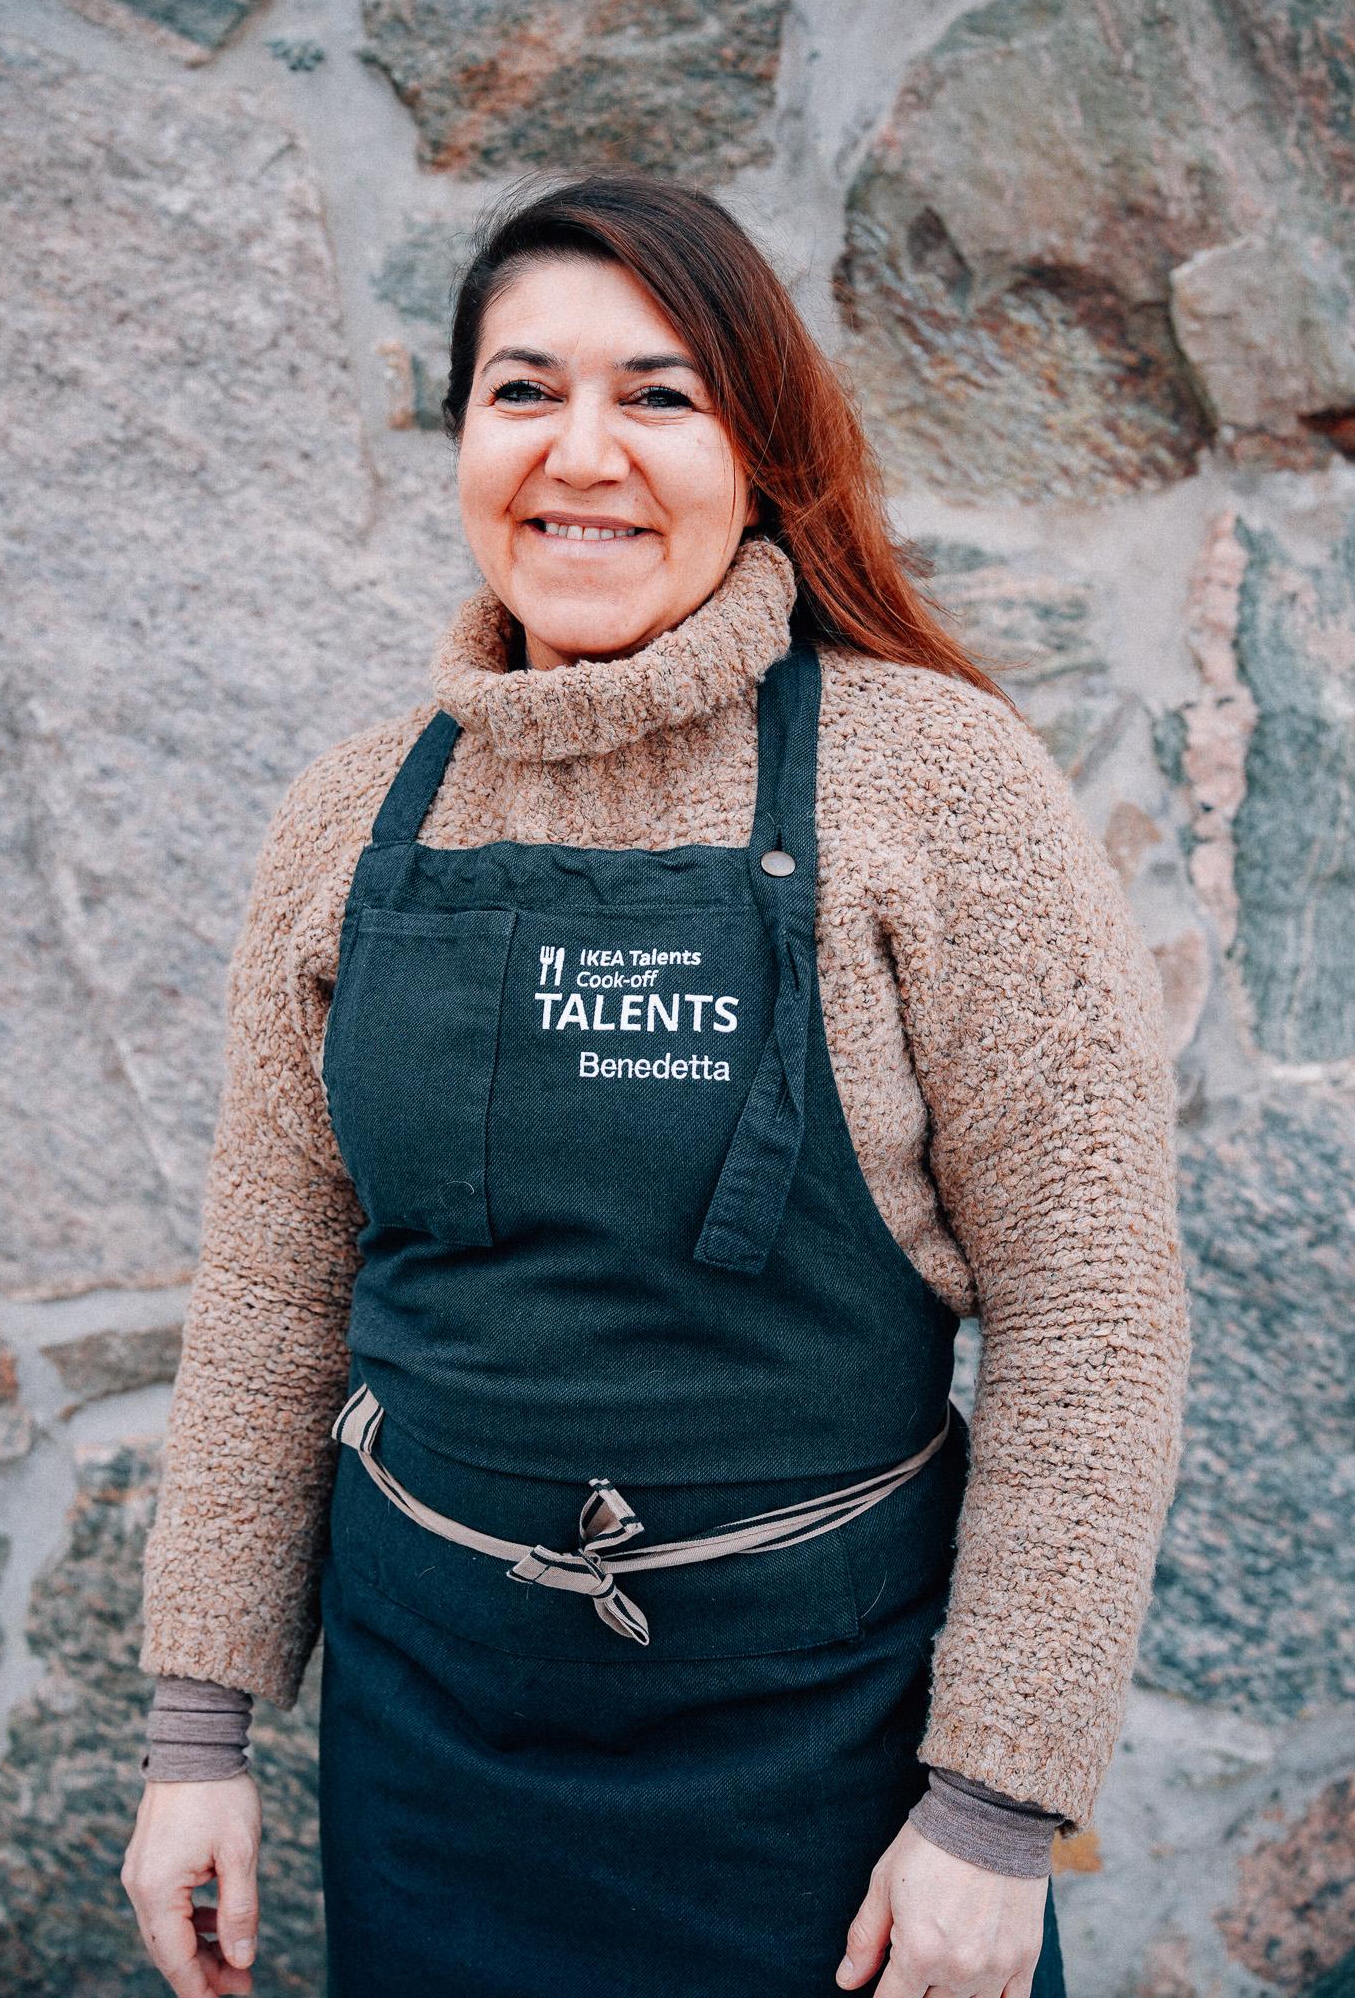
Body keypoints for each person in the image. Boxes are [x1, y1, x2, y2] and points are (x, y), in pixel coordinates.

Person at [122, 168, 1190, 1998]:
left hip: (824, 1761)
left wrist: (992, 1812)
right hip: (433, 1740)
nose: (581, 454)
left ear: (757, 451)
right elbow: (269, 1296)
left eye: (658, 396)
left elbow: (1091, 1318)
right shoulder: (352, 814)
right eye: (523, 391)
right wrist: (195, 1734)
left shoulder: (935, 787)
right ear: (463, 436)